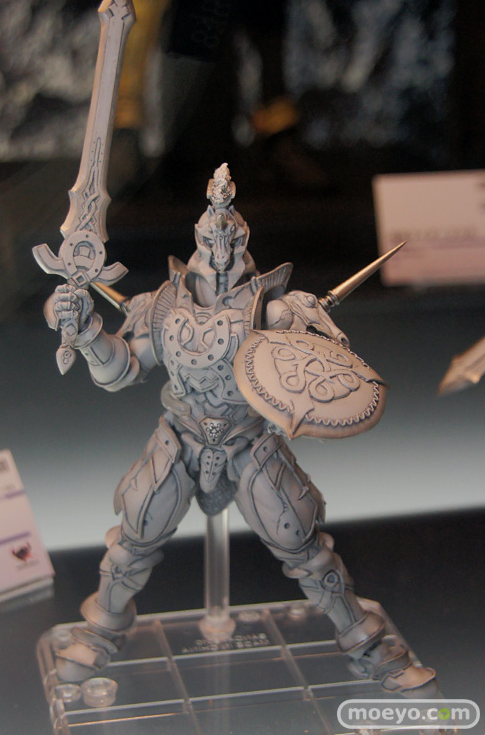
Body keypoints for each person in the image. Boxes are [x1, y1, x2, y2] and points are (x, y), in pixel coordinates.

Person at [48, 163, 435, 696]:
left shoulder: (273, 310)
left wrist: (311, 348)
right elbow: (121, 370)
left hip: (248, 441)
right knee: (134, 537)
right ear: (197, 239)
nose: (220, 250)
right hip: (180, 437)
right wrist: (90, 333)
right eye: (211, 239)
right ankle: (98, 632)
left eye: (230, 239)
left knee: (303, 544)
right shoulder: (162, 307)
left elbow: (321, 368)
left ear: (245, 241)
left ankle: (370, 647)